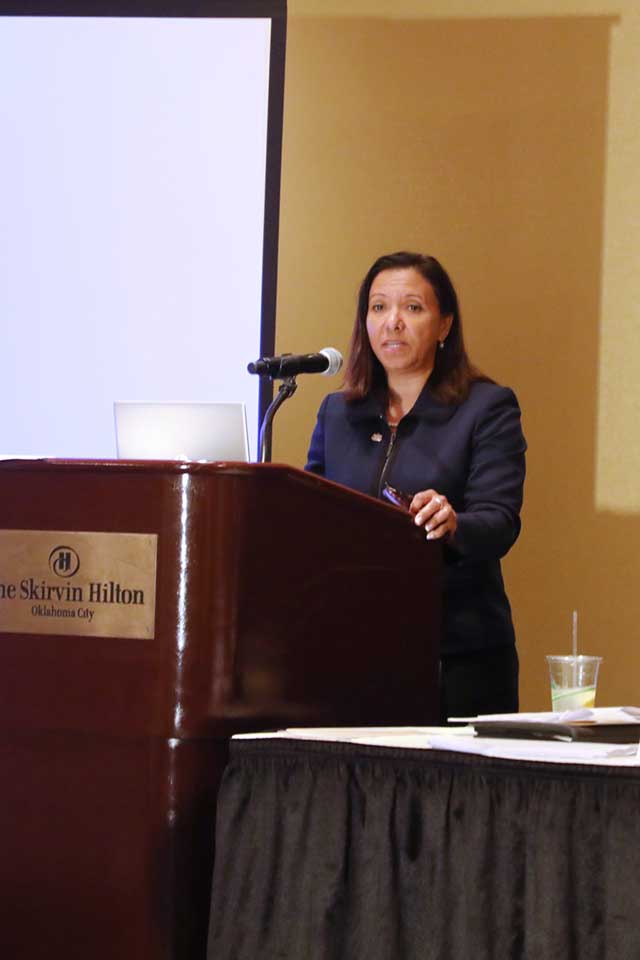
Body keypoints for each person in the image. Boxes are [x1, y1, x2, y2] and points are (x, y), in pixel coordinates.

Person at [305, 251, 526, 719]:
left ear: (444, 325)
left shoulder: (486, 408)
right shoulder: (338, 413)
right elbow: (311, 512)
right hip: (353, 654)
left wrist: (453, 523)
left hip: (457, 658)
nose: (393, 322)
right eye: (379, 307)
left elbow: (499, 522)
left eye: (412, 307)